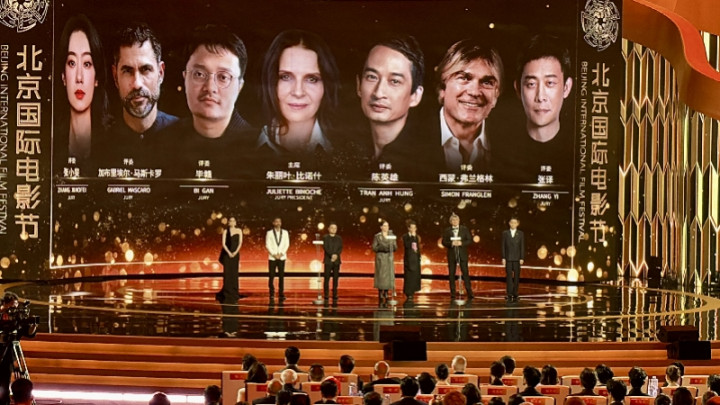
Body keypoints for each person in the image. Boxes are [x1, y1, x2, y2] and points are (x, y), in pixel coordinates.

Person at [158, 24, 253, 179]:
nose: (210, 87)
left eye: (223, 77)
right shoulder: (161, 144)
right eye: (199, 74)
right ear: (185, 78)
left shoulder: (259, 146)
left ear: (239, 87)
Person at [97, 22, 177, 168]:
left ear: (160, 73)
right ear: (115, 77)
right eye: (127, 71)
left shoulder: (184, 137)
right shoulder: (98, 146)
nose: (137, 84)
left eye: (145, 69)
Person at [497, 34, 573, 184]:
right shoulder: (499, 153)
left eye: (550, 83)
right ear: (518, 89)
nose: (540, 96)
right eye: (531, 84)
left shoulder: (578, 153)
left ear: (566, 88)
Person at [257, 29, 340, 164]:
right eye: (286, 77)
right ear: (272, 81)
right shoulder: (244, 144)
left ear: (326, 86)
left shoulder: (345, 150)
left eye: (312, 79)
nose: (298, 92)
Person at [353, 34, 427, 178]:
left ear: (415, 96)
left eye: (394, 81)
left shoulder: (425, 163)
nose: (379, 93)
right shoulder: (346, 152)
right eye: (372, 77)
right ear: (358, 86)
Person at [432, 39, 503, 173]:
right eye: (464, 78)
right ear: (442, 89)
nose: (474, 92)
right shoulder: (409, 140)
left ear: (496, 96)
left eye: (487, 82)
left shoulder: (511, 146)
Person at [56, 14, 109, 174]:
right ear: (63, 76)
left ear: (96, 77)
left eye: (87, 64)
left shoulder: (114, 141)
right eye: (72, 63)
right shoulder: (49, 143)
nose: (79, 77)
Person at [0, 292, 37, 405]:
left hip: (9, 355)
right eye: (11, 306)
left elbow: (29, 333)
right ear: (4, 305)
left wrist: (33, 325)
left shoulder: (17, 318)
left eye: (16, 305)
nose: (14, 309)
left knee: (5, 381)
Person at [217, 217, 242, 337]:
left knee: (234, 273)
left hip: (235, 254)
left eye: (233, 221)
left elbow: (240, 243)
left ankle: (234, 290)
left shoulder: (239, 230)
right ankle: (227, 291)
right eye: (230, 221)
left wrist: (235, 252)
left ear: (235, 222)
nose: (232, 222)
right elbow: (223, 244)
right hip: (227, 255)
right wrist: (229, 252)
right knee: (227, 273)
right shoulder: (226, 231)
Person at [442, 214, 473, 299]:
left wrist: (461, 243)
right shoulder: (447, 230)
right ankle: (453, 293)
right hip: (452, 255)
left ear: (459, 221)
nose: (455, 221)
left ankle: (469, 292)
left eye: (456, 220)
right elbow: (444, 242)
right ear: (450, 222)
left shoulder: (464, 229)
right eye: (453, 220)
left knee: (465, 273)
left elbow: (469, 240)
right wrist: (451, 243)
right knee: (451, 274)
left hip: (462, 254)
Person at [372, 221, 397, 306]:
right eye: (384, 226)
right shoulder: (377, 236)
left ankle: (386, 292)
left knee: (388, 276)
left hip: (388, 258)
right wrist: (383, 247)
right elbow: (374, 247)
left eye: (387, 226)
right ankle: (380, 292)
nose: (386, 227)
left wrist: (390, 247)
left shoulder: (391, 236)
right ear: (381, 227)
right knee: (380, 275)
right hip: (381, 258)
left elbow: (395, 247)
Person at [501, 217, 525, 302]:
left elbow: (522, 246)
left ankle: (515, 293)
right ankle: (509, 293)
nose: (513, 224)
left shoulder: (521, 234)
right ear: (509, 223)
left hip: (517, 258)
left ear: (517, 224)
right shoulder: (505, 233)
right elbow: (503, 246)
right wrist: (503, 257)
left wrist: (522, 257)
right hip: (508, 258)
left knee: (517, 276)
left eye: (515, 223)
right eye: (512, 222)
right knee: (509, 276)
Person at [266, 218, 290, 301]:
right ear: (273, 223)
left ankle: (281, 293)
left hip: (282, 257)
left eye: (279, 222)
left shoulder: (285, 232)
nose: (278, 223)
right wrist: (274, 254)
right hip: (272, 257)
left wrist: (281, 253)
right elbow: (267, 244)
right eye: (276, 222)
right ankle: (271, 293)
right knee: (271, 276)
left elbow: (287, 244)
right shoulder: (269, 233)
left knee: (281, 276)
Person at [402, 220, 422, 300]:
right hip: (408, 259)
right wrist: (412, 237)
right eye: (412, 228)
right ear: (409, 228)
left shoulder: (417, 237)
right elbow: (407, 245)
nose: (413, 229)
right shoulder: (405, 236)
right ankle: (408, 292)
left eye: (414, 228)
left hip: (415, 259)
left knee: (415, 276)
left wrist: (418, 256)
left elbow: (417, 247)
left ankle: (413, 291)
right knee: (409, 276)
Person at [322, 223, 343, 301]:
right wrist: (331, 255)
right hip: (328, 260)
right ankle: (326, 294)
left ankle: (335, 293)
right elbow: (325, 248)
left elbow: (340, 248)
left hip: (337, 261)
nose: (333, 229)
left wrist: (336, 255)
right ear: (328, 229)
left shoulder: (339, 238)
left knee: (335, 278)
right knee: (327, 278)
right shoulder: (325, 237)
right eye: (332, 228)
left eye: (335, 228)